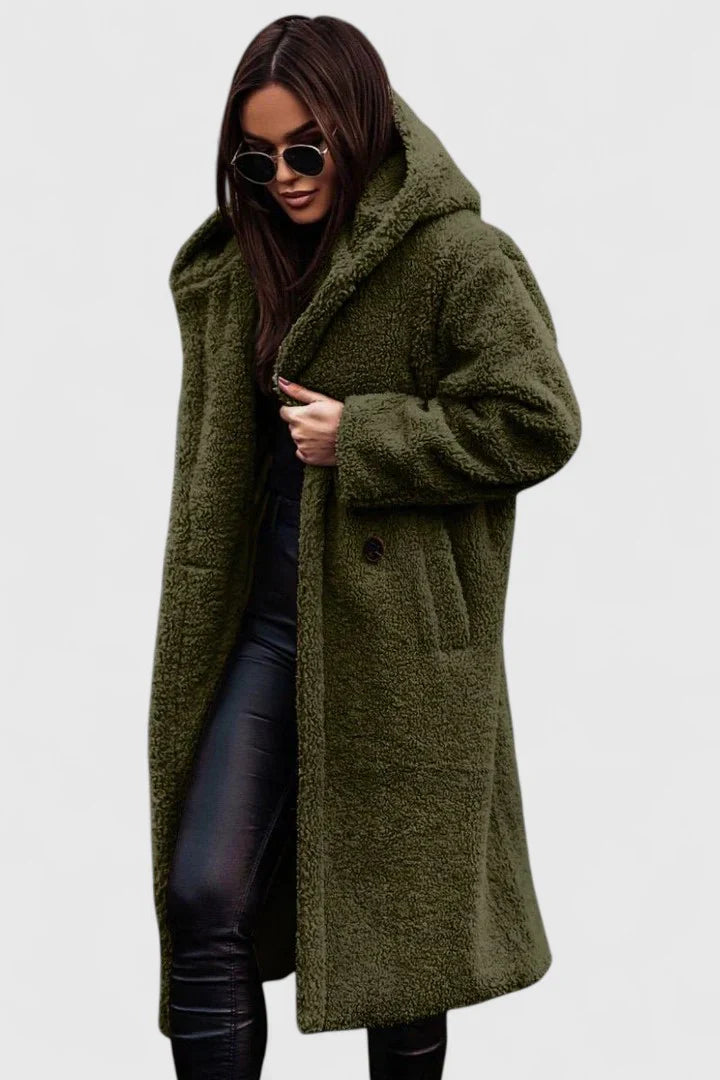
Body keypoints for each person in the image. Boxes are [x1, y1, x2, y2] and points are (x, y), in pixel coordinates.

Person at [148, 14, 581, 1080]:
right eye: (257, 159)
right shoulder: (240, 264)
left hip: (399, 645)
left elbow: (540, 420)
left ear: (358, 125)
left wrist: (368, 435)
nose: (285, 179)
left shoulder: (457, 258)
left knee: (404, 947)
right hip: (264, 625)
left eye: (307, 150)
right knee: (203, 892)